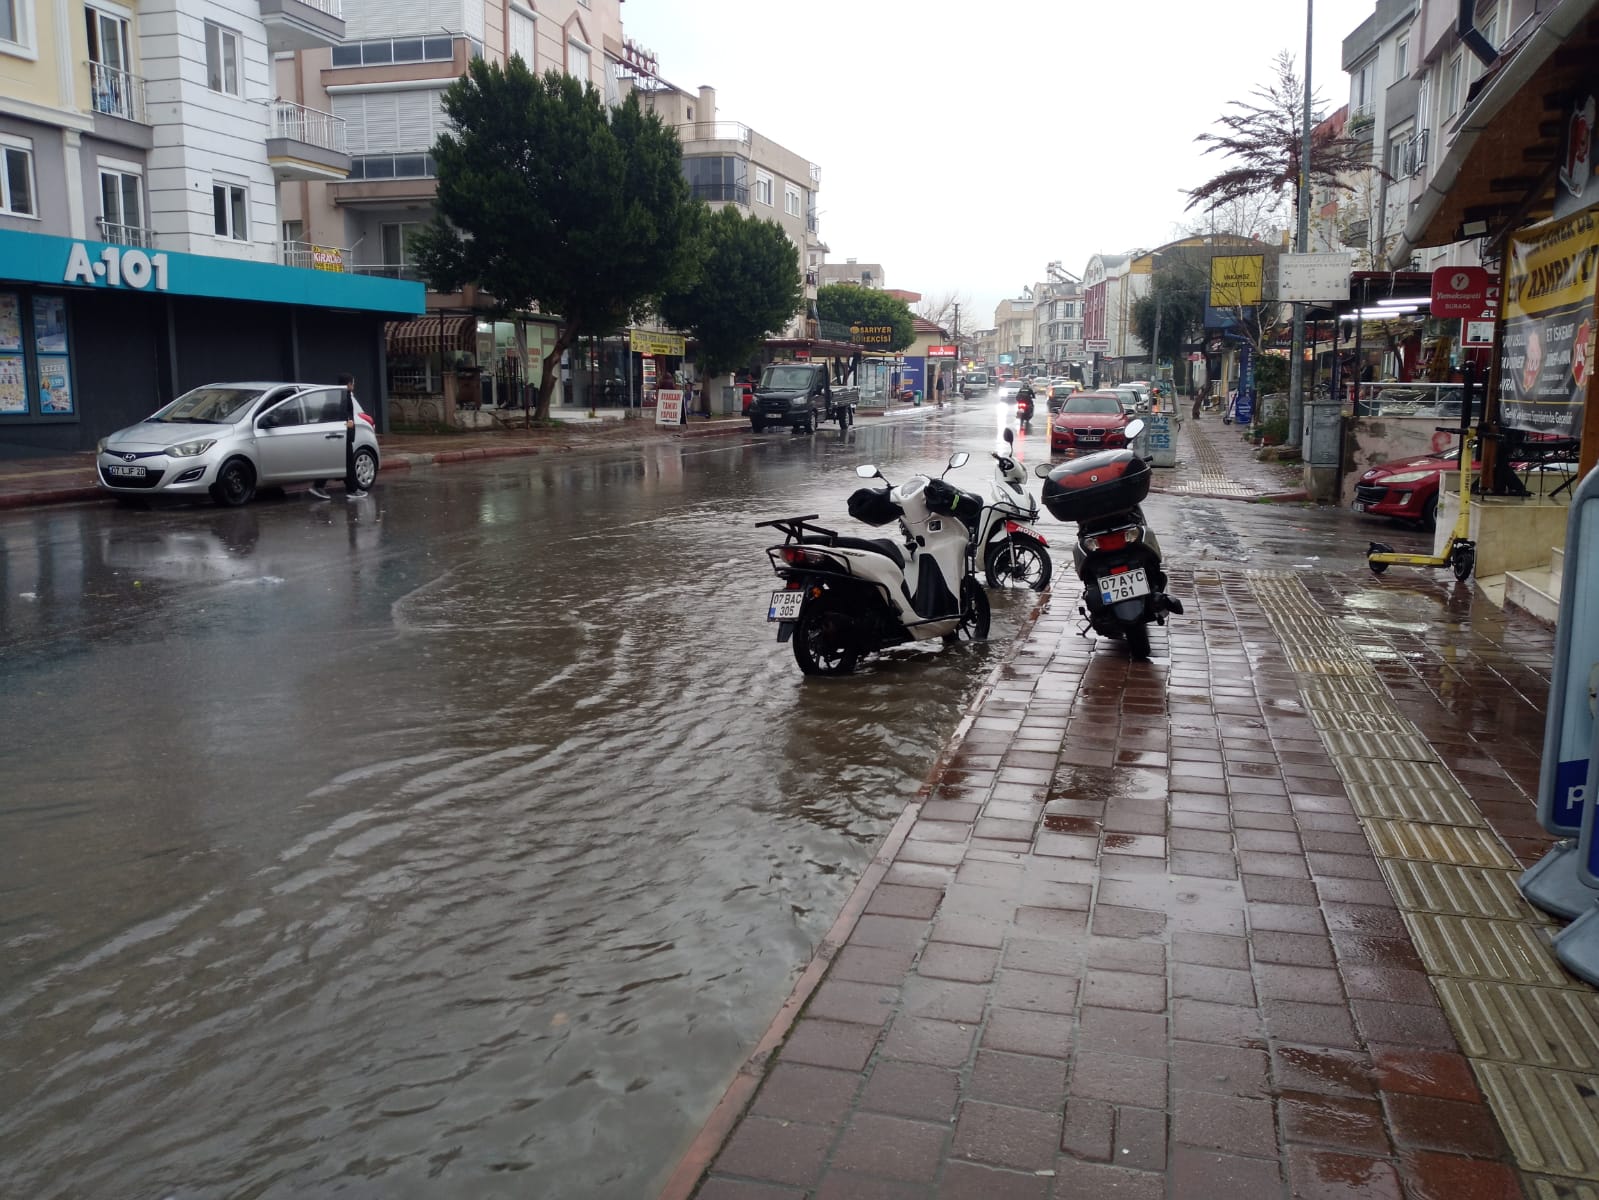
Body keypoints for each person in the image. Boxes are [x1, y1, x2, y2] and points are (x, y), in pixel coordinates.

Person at [308, 373, 366, 500]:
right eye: (353, 383)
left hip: (340, 434)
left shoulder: (336, 396)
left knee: (339, 461)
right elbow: (341, 415)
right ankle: (351, 490)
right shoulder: (343, 397)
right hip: (341, 435)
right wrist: (348, 423)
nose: (354, 385)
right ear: (349, 384)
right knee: (346, 462)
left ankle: (347, 488)